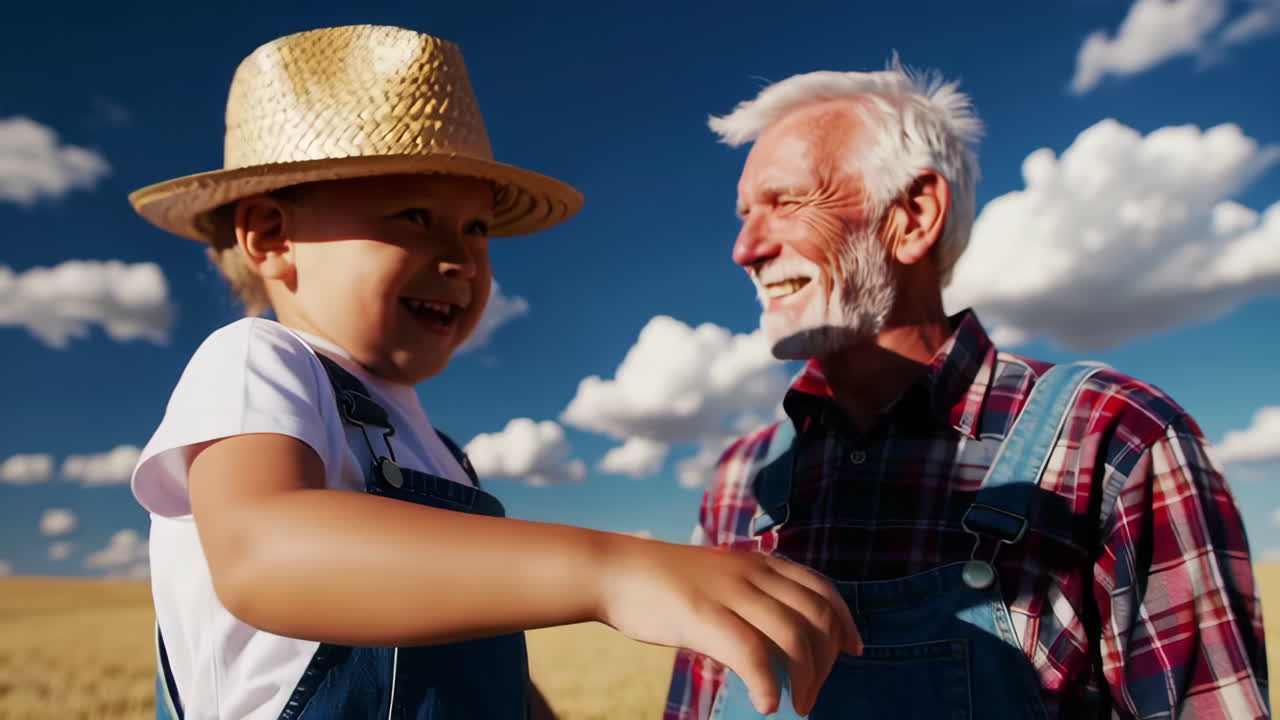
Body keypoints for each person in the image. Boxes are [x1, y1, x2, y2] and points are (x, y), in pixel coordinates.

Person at [128, 25, 860, 720]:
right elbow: (262, 552)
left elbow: (473, 655)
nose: (459, 256)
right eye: (414, 215)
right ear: (270, 236)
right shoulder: (259, 361)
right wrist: (612, 570)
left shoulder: (441, 453)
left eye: (476, 228)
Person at [664, 61, 1268, 719]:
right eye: (746, 213)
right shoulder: (737, 482)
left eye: (786, 202)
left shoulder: (1116, 437)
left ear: (914, 215)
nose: (744, 248)